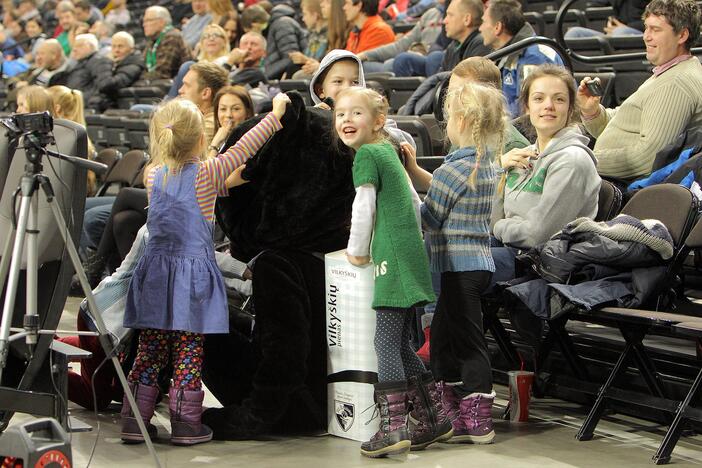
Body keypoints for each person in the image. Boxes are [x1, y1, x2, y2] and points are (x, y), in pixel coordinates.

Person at [120, 92, 292, 446]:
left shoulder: (152, 176)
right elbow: (243, 149)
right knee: (188, 351)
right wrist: (274, 117)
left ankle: (134, 420)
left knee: (149, 350)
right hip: (192, 280)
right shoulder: (207, 174)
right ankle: (186, 424)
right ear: (200, 139)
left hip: (155, 275)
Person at [338, 87, 440, 458]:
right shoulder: (387, 151)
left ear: (379, 120)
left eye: (356, 113)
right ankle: (434, 418)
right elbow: (414, 200)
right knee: (399, 343)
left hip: (392, 257)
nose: (346, 120)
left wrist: (357, 252)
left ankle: (394, 427)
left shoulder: (368, 153)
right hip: (407, 253)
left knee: (383, 342)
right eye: (340, 114)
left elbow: (363, 207)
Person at [403, 81, 506, 445]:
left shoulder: (454, 170)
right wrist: (415, 171)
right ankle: (452, 412)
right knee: (445, 339)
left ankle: (479, 416)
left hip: (458, 268)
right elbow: (446, 192)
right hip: (474, 264)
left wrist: (405, 189)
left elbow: (430, 216)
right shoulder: (481, 163)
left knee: (468, 341)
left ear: (461, 120)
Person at [490, 64, 601, 287]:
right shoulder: (523, 156)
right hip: (508, 248)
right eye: (539, 98)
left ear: (570, 109)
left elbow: (537, 235)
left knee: (447, 264)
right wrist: (497, 170)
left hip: (539, 262)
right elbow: (490, 216)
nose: (548, 106)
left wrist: (499, 227)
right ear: (527, 107)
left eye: (559, 99)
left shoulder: (572, 160)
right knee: (436, 249)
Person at [577, 0, 702, 182]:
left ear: (682, 35)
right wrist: (592, 111)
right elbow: (623, 124)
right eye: (646, 28)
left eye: (655, 30)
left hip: (620, 187)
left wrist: (582, 160)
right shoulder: (670, 71)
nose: (646, 36)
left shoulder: (676, 83)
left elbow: (648, 158)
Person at [479, 0, 564, 117]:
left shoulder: (533, 56)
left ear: (497, 27)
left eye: (483, 22)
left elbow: (528, 110)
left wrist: (495, 122)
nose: (480, 28)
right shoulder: (507, 53)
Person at [393, 0, 488, 78]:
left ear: (467, 19)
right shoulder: (454, 45)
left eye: (450, 15)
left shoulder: (480, 45)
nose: (444, 21)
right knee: (403, 59)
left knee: (435, 58)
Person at [358, 0, 443, 74]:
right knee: (361, 64)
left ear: (359, 5)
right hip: (405, 63)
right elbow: (400, 45)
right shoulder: (431, 14)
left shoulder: (378, 29)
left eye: (347, 3)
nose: (344, 8)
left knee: (402, 60)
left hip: (421, 65)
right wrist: (365, 55)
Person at [178, 61, 228, 144]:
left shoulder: (206, 127)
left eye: (187, 85)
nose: (180, 90)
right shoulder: (198, 119)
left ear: (205, 93)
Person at [93, 31, 144, 110]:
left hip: (114, 106)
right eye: (113, 46)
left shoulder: (134, 65)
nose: (116, 50)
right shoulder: (115, 64)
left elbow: (106, 84)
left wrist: (106, 62)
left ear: (131, 49)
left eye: (120, 46)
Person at [141, 6, 190, 80]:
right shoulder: (152, 40)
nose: (144, 24)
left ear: (161, 22)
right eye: (144, 21)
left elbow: (161, 73)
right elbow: (142, 65)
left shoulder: (172, 37)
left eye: (148, 20)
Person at [63, 33, 112, 105]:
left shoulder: (99, 61)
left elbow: (102, 87)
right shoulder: (77, 64)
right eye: (74, 46)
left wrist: (78, 101)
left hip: (85, 105)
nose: (74, 49)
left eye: (79, 46)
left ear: (90, 46)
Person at [208, 85, 255, 157]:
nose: (228, 115)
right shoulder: (217, 138)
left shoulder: (252, 142)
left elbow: (210, 168)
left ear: (248, 112)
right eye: (223, 109)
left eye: (236, 109)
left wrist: (214, 147)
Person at [566, 0, 647, 38]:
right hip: (614, 32)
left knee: (620, 32)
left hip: (644, 34)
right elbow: (593, 5)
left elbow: (658, 22)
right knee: (574, 33)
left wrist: (627, 27)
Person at [288, 0, 328, 78]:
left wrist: (304, 59)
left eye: (305, 14)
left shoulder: (329, 34)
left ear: (315, 15)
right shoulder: (312, 34)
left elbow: (324, 63)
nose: (303, 19)